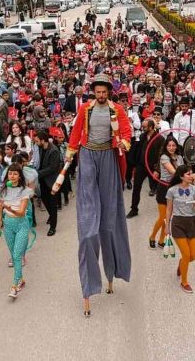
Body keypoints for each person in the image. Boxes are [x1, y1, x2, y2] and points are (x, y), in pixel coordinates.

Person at [65, 73, 132, 316]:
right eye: (98, 92)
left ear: (109, 92)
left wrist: (124, 143)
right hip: (88, 155)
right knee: (89, 226)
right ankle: (89, 285)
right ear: (93, 91)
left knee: (110, 222)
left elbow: (126, 132)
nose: (101, 95)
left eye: (104, 92)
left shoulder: (117, 110)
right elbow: (75, 135)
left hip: (107, 157)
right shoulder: (85, 109)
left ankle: (113, 273)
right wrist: (70, 152)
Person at [0, 164, 33, 298]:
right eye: (10, 173)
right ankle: (21, 280)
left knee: (16, 256)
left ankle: (15, 285)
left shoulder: (25, 191)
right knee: (14, 255)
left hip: (21, 224)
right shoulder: (3, 190)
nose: (12, 176)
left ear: (20, 176)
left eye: (15, 174)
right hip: (8, 225)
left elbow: (22, 213)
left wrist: (8, 207)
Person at [165, 165, 195, 294]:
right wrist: (167, 226)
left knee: (193, 256)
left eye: (191, 173)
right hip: (178, 224)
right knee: (186, 254)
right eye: (188, 174)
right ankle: (184, 282)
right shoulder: (172, 190)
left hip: (191, 222)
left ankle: (181, 265)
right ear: (181, 176)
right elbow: (169, 209)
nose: (191, 176)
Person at [149, 137, 184, 249]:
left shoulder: (179, 157)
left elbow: (184, 171)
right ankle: (152, 236)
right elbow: (174, 172)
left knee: (168, 218)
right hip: (164, 189)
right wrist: (187, 175)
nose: (171, 148)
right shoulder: (164, 157)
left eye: (173, 145)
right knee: (163, 217)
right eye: (169, 145)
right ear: (165, 147)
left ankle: (161, 241)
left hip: (175, 189)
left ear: (176, 146)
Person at [127, 119, 164, 218]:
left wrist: (157, 170)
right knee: (136, 187)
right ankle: (134, 209)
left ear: (151, 127)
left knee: (162, 188)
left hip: (154, 167)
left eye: (144, 127)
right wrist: (135, 163)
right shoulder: (142, 136)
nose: (142, 128)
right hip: (142, 166)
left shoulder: (160, 139)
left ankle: (165, 208)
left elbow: (162, 155)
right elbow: (138, 150)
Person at [34, 130, 62, 236]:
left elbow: (52, 168)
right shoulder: (41, 148)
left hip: (52, 181)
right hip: (43, 180)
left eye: (37, 141)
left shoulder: (54, 150)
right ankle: (51, 215)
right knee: (45, 200)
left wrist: (37, 173)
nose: (36, 143)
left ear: (43, 140)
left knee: (53, 204)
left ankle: (53, 227)